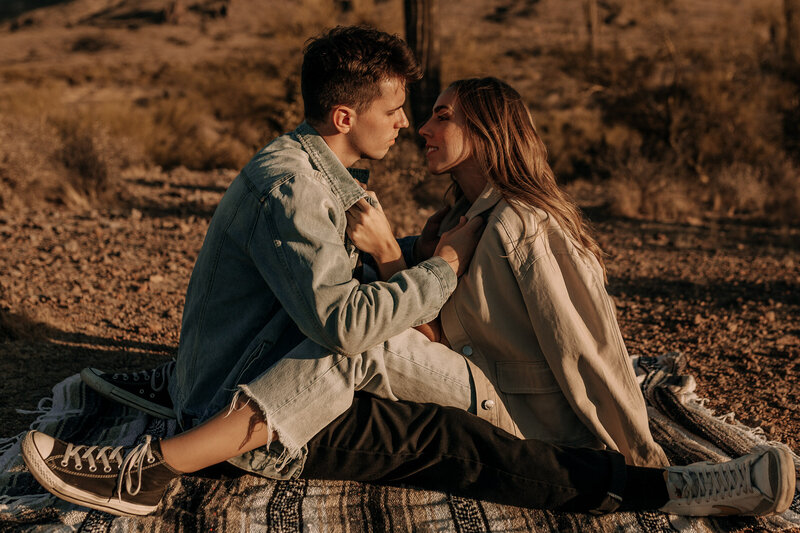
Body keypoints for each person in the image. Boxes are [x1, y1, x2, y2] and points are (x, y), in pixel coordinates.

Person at [21, 28, 795, 519]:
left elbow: (587, 346)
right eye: (406, 110)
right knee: (378, 355)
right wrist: (422, 261)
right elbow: (377, 324)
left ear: (487, 133)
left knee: (379, 354)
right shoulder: (321, 191)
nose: (416, 124)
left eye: (439, 116)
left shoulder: (518, 223)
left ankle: (157, 467)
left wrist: (635, 441)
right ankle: (158, 466)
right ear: (347, 118)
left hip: (490, 397)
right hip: (304, 381)